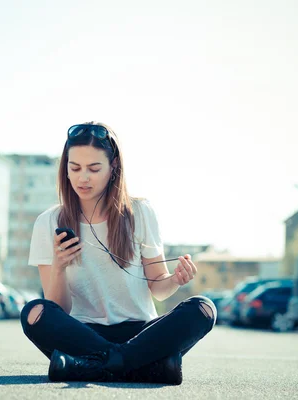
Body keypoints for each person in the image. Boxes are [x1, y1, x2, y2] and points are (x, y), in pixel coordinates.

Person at [20, 122, 216, 385]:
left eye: (94, 168)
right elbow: (59, 308)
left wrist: (176, 280)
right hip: (82, 333)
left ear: (113, 168)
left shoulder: (141, 212)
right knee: (34, 313)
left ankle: (87, 366)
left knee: (203, 308)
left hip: (140, 333)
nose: (82, 178)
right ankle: (144, 367)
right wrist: (59, 266)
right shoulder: (49, 221)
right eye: (74, 168)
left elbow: (158, 288)